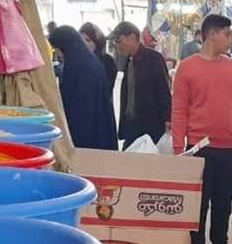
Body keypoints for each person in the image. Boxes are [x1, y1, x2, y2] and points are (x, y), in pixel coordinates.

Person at [171, 13, 232, 244]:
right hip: (199, 148)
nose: (231, 39)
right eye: (227, 34)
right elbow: (179, 111)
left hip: (229, 147)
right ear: (212, 34)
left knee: (223, 203)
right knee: (199, 204)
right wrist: (178, 148)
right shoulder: (187, 68)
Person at [47, 25, 117, 150]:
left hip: (85, 133)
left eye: (56, 48)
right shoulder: (89, 61)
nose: (57, 53)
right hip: (98, 129)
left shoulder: (78, 66)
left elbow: (79, 107)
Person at [110, 20, 172, 149]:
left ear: (133, 37)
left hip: (150, 124)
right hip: (131, 123)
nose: (117, 45)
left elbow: (164, 90)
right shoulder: (128, 61)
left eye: (118, 40)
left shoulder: (154, 58)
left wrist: (168, 118)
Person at [79, 22, 119, 101]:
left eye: (87, 40)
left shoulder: (107, 61)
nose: (84, 43)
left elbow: (106, 88)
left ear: (97, 42)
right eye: (80, 40)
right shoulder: (78, 62)